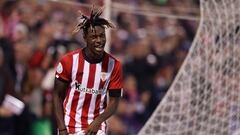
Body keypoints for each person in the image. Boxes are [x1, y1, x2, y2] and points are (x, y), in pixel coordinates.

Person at [53, 6, 123, 135]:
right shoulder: (68, 61)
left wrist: (98, 121)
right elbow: (57, 96)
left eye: (102, 36)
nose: (99, 41)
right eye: (94, 37)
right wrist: (62, 128)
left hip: (97, 127)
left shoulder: (114, 65)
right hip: (70, 126)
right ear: (85, 37)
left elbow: (114, 102)